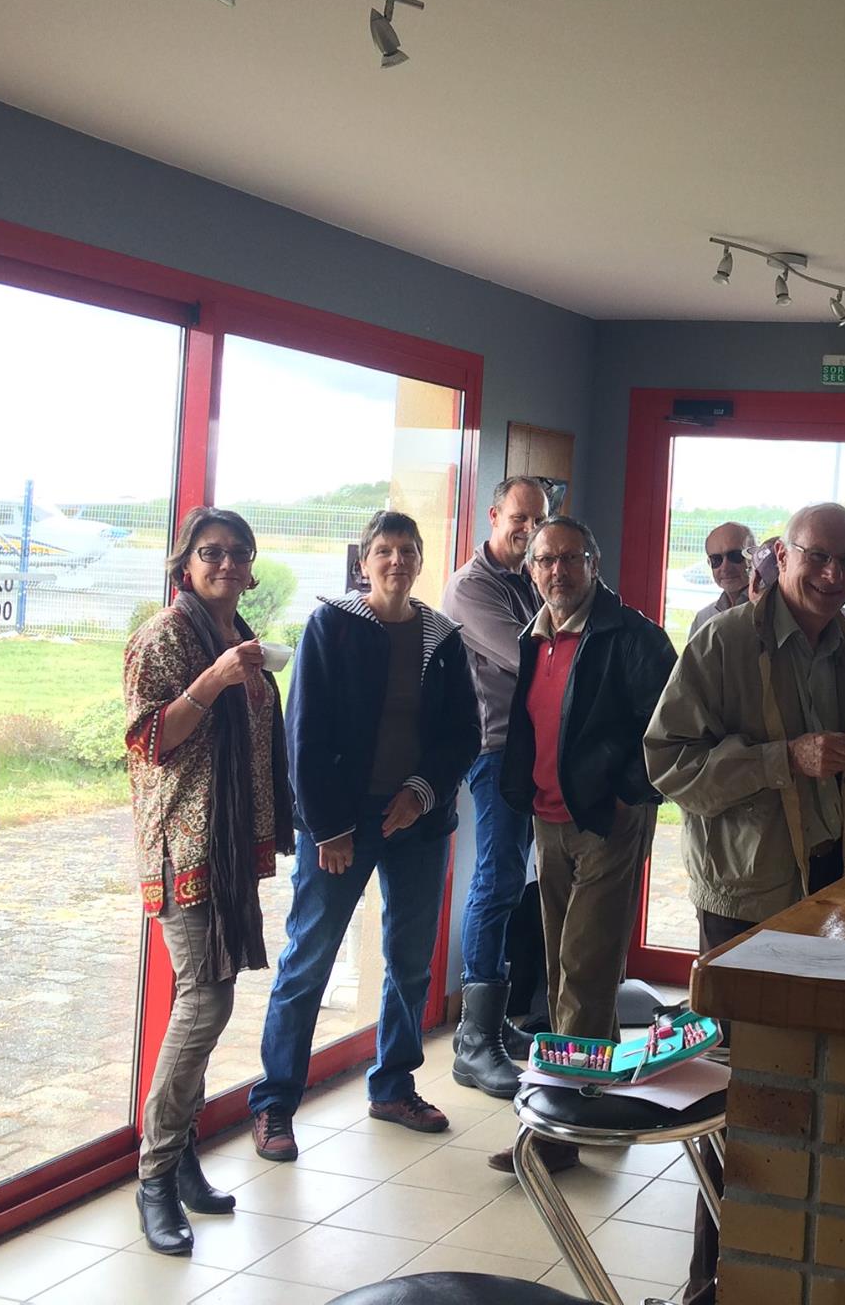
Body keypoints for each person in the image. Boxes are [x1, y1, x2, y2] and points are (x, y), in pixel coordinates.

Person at [646, 501, 845, 1305]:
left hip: (832, 891)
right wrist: (778, 759)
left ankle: (793, 1270)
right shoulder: (726, 643)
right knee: (742, 1094)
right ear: (782, 555)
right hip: (748, 898)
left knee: (814, 1088)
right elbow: (666, 765)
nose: (834, 577)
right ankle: (711, 1281)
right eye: (818, 558)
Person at [250, 511, 480, 1159]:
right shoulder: (334, 627)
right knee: (308, 961)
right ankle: (274, 1106)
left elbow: (462, 734)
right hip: (341, 828)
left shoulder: (442, 636)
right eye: (385, 550)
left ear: (420, 559)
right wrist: (329, 829)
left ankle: (393, 1085)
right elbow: (306, 735)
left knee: (409, 965)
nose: (397, 560)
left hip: (418, 823)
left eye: (408, 549)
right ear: (365, 562)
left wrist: (420, 794)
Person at [122, 507, 290, 1254]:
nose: (225, 563)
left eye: (237, 552)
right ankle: (155, 1175)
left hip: (227, 848)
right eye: (210, 552)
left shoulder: (239, 637)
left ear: (250, 567)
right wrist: (216, 681)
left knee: (211, 997)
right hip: (183, 849)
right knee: (205, 997)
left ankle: (183, 1157)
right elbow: (150, 741)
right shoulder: (164, 639)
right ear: (184, 564)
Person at [490, 517, 676, 1175]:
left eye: (571, 559)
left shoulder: (634, 637)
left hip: (607, 821)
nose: (557, 571)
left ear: (595, 564)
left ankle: (560, 1130)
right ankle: (596, 1103)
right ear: (531, 568)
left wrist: (626, 793)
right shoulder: (535, 632)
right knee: (570, 973)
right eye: (545, 560)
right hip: (550, 819)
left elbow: (671, 727)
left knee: (584, 975)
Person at [440, 475, 548, 1095]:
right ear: (493, 516)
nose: (528, 531)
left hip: (536, 751)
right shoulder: (473, 586)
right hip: (496, 752)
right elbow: (532, 655)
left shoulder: (527, 577)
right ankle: (473, 1042)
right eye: (519, 519)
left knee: (516, 881)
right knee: (497, 880)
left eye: (538, 521)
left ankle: (499, 1022)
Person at [687, 521, 756, 640]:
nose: (725, 567)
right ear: (709, 563)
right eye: (716, 559)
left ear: (754, 556)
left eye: (734, 556)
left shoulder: (772, 612)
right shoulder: (704, 619)